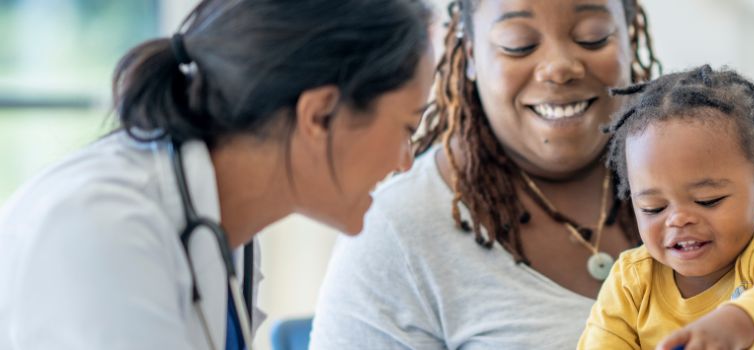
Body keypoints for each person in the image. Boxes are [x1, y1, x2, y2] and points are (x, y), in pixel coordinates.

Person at [310, 0, 754, 349]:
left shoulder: (722, 168)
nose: (559, 66)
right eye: (519, 43)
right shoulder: (395, 234)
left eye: (591, 37)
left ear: (630, 35)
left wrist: (741, 326)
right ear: (468, 54)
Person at [0, 0, 434, 348]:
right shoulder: (100, 229)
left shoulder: (227, 232)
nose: (405, 162)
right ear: (319, 116)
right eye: (407, 128)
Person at [578, 65, 754, 350]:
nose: (678, 220)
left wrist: (737, 324)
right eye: (654, 207)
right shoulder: (631, 283)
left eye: (707, 200)